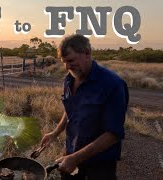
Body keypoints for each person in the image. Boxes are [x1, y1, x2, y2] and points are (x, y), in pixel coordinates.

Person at [41, 34, 129, 180]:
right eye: (64, 62)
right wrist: (55, 132)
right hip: (70, 155)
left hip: (99, 165)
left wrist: (76, 158)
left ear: (87, 53)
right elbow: (71, 109)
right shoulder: (69, 80)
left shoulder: (112, 84)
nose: (67, 67)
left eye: (71, 61)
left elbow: (113, 135)